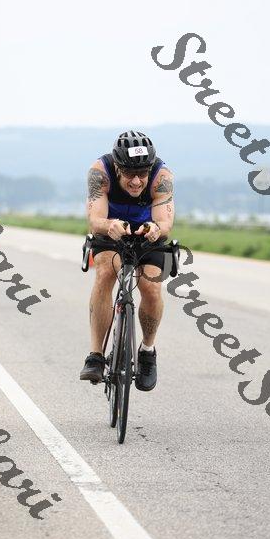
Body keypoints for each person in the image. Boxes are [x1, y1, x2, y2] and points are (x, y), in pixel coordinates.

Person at [80, 130, 175, 391]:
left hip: (148, 232)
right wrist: (108, 224)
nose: (136, 181)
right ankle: (96, 355)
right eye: (129, 173)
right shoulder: (100, 172)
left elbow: (165, 223)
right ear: (117, 168)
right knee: (105, 273)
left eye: (142, 173)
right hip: (111, 230)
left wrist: (155, 228)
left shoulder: (162, 177)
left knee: (151, 287)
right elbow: (95, 220)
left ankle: (147, 351)